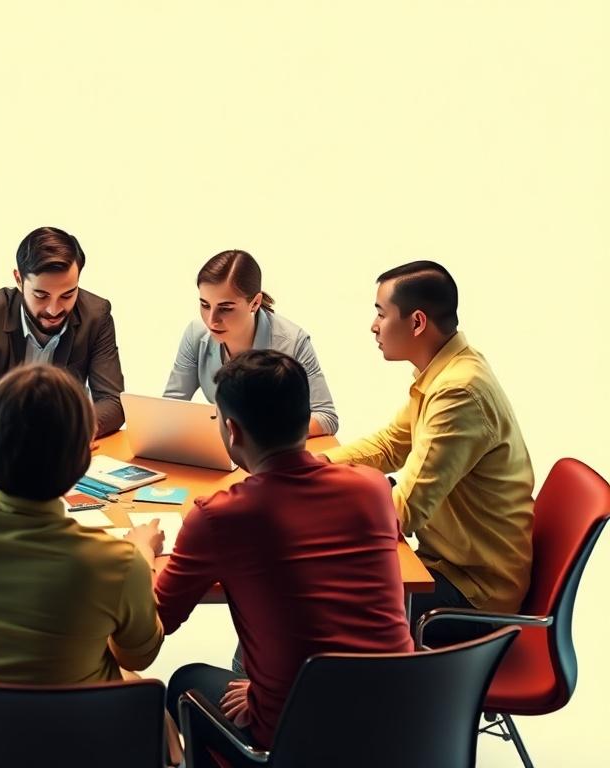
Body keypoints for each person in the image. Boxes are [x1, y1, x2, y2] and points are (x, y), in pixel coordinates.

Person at [156, 350, 412, 763]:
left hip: (296, 738)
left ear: (231, 430)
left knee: (185, 682)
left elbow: (157, 620)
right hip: (402, 725)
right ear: (304, 418)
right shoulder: (372, 488)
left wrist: (137, 554)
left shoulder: (219, 517)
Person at [0, 363, 163, 684]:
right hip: (71, 731)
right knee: (148, 694)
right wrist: (143, 559)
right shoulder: (120, 563)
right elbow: (135, 655)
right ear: (82, 463)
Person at [321, 261, 534, 645]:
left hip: (473, 596)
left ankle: (277, 698)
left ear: (417, 322)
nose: (373, 326)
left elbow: (403, 514)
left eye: (381, 313)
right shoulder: (445, 372)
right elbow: (389, 445)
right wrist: (312, 467)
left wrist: (317, 512)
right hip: (448, 566)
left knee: (324, 603)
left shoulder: (458, 392)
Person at [0, 227, 125, 437]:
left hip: (61, 457)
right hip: (0, 451)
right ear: (19, 280)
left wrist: (76, 429)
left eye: (67, 295)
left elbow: (114, 402)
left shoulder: (96, 316)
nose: (54, 309)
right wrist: (20, 430)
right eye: (41, 295)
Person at [164, 249, 338, 436]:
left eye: (226, 308)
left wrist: (258, 436)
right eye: (205, 305)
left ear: (255, 303)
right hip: (227, 451)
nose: (211, 320)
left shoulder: (293, 342)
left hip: (273, 455)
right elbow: (171, 407)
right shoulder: (195, 334)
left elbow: (326, 417)